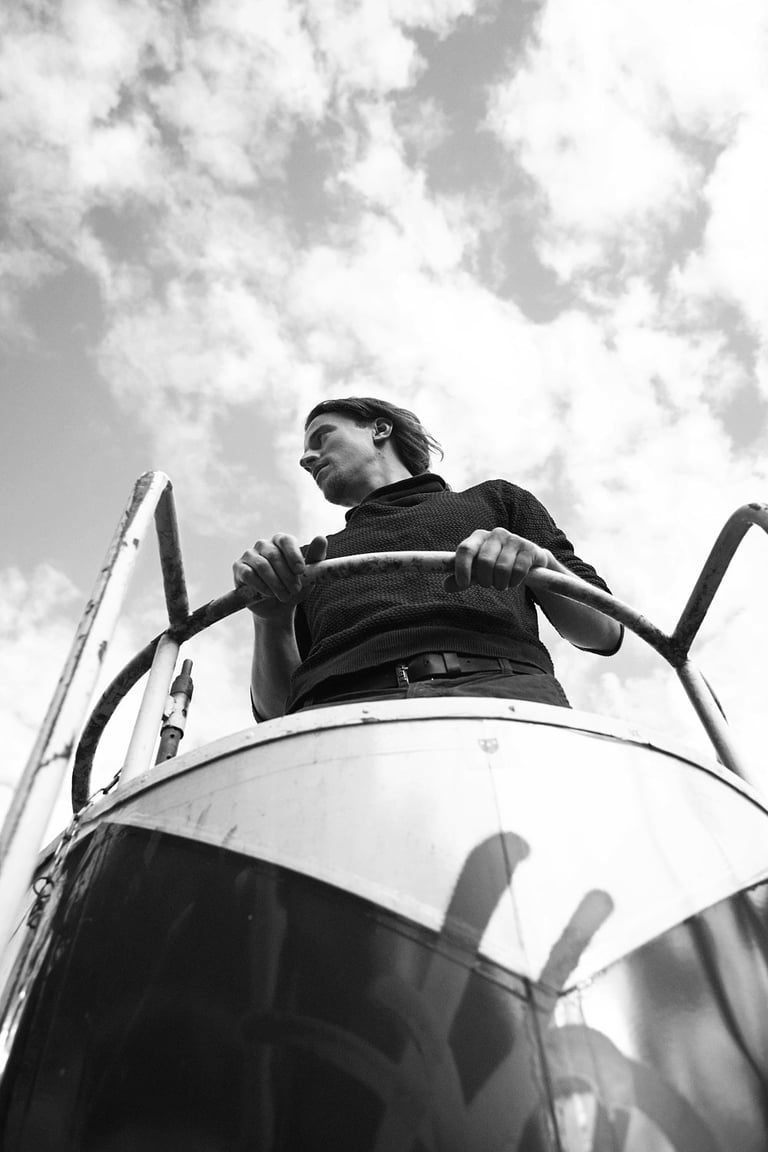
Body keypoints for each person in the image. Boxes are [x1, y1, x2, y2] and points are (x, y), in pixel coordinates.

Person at [233, 398, 622, 720]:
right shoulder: (305, 563)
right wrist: (271, 621)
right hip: (336, 718)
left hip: (502, 700)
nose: (307, 458)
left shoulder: (496, 501)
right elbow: (276, 715)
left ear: (380, 430)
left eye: (322, 437)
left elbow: (604, 631)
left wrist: (540, 567)